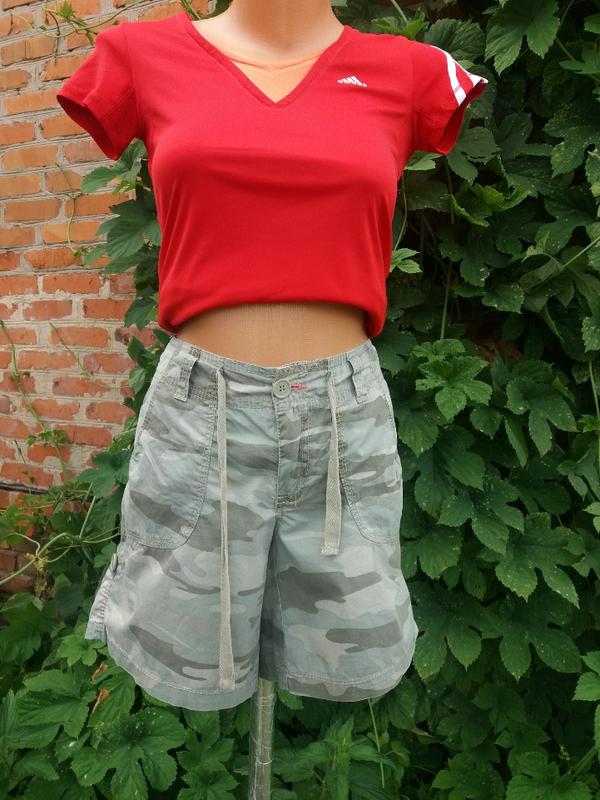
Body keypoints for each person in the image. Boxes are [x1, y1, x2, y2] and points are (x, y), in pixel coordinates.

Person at [56, 0, 488, 710]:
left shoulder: (410, 73)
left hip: (341, 415)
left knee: (352, 638)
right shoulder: (137, 57)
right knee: (185, 642)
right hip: (201, 414)